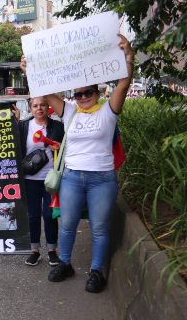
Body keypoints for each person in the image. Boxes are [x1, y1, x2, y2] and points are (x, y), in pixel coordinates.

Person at [20, 34, 134, 293]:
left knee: (100, 229)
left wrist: (128, 55)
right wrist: (30, 71)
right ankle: (66, 264)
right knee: (68, 225)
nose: (82, 97)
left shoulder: (108, 111)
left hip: (102, 179)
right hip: (71, 177)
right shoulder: (69, 110)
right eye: (78, 93)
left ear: (97, 92)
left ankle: (96, 272)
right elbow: (44, 92)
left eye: (88, 92)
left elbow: (124, 83)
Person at [14, 96, 64, 266]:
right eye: (35, 105)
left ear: (48, 106)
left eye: (42, 104)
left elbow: (67, 148)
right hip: (29, 180)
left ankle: (52, 250)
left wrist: (59, 146)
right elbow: (14, 145)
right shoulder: (24, 126)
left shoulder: (57, 126)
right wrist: (17, 120)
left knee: (50, 215)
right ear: (31, 108)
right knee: (33, 215)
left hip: (50, 181)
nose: (39, 108)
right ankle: (34, 250)